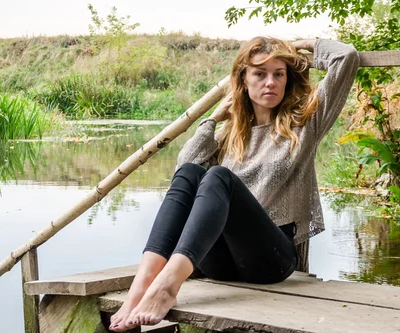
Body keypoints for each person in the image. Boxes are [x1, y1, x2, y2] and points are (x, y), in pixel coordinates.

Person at [109, 38, 360, 331]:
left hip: (272, 260)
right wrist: (213, 119)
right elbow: (184, 168)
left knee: (219, 177)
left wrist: (301, 46)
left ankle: (167, 286)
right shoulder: (231, 134)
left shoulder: (304, 124)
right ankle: (141, 287)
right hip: (220, 264)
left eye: (279, 73)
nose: (270, 82)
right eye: (259, 74)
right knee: (194, 172)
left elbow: (347, 58)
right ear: (243, 80)